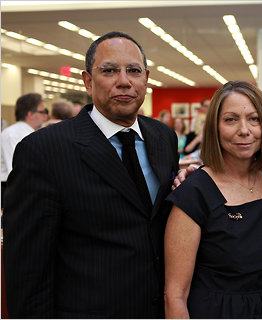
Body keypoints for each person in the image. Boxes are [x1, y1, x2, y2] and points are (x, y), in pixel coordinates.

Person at [3, 31, 179, 318]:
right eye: (109, 70)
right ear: (87, 81)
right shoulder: (44, 150)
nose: (124, 81)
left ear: (145, 78)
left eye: (133, 71)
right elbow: (27, 269)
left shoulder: (163, 138)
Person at [164, 81, 262, 318]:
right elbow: (175, 294)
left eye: (254, 119)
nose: (244, 130)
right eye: (231, 119)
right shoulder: (194, 192)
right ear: (215, 128)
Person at [1, 93, 46, 206]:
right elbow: (16, 170)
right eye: (42, 112)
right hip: (10, 189)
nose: (45, 116)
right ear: (30, 114)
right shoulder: (14, 134)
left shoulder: (29, 133)